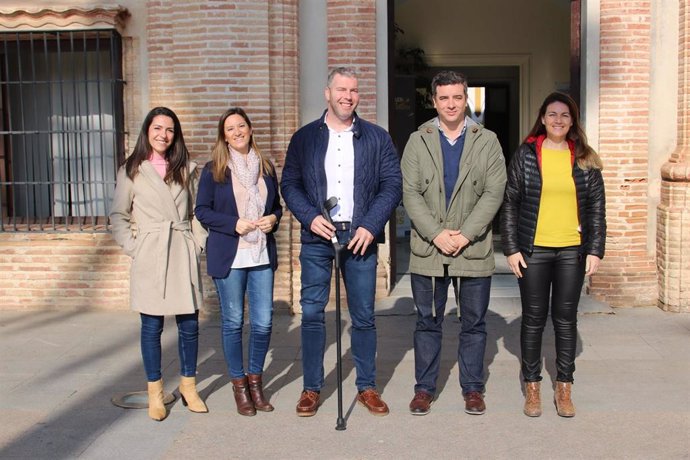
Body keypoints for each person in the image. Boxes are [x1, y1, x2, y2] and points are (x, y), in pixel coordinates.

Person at [281, 66, 402, 417]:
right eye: (341, 89)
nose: (347, 96)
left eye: (353, 91)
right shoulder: (304, 138)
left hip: (360, 235)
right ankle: (311, 388)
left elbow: (392, 184)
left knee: (363, 315)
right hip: (318, 235)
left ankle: (366, 387)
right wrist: (310, 216)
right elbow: (290, 183)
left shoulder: (377, 137)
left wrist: (371, 225)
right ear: (327, 93)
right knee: (314, 313)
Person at [401, 70, 506, 416]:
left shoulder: (486, 140)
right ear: (434, 101)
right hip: (429, 250)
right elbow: (410, 193)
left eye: (457, 97)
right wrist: (436, 233)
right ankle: (424, 388)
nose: (450, 104)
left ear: (466, 100)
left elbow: (494, 192)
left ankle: (472, 388)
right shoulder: (419, 140)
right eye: (443, 97)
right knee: (427, 321)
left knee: (473, 323)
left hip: (472, 248)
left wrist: (464, 234)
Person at [501, 92, 605, 418]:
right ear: (543, 119)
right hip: (534, 251)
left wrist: (595, 250)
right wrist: (511, 248)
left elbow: (597, 209)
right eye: (552, 114)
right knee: (533, 321)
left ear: (572, 121)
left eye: (564, 115)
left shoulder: (586, 158)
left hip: (571, 252)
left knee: (565, 319)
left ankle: (564, 386)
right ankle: (532, 387)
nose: (558, 120)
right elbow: (511, 202)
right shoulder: (526, 154)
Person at [110, 107, 207, 421]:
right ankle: (155, 392)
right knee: (151, 327)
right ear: (147, 131)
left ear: (175, 134)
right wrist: (134, 247)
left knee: (189, 325)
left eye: (169, 129)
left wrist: (196, 244)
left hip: (181, 249)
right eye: (158, 128)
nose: (163, 135)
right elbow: (118, 216)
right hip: (150, 252)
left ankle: (189, 387)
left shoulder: (188, 169)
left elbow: (197, 214)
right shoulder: (131, 170)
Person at [195, 108, 282, 416]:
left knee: (263, 322)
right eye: (230, 128)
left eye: (240, 126)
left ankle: (256, 382)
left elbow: (277, 207)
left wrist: (273, 218)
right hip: (230, 256)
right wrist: (233, 223)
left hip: (260, 255)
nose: (236, 132)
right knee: (233, 323)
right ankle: (239, 386)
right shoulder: (213, 169)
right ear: (224, 135)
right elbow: (202, 211)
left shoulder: (266, 167)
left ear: (249, 128)